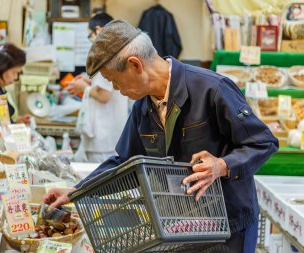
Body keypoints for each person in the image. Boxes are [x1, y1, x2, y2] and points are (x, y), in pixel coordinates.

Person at [44, 20, 278, 253]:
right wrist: (75, 191)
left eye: (113, 79)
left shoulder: (212, 89)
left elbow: (263, 143)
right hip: (179, 226)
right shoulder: (142, 107)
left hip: (229, 229)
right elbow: (125, 163)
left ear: (135, 65)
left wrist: (222, 165)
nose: (115, 88)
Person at [65, 13, 128, 163]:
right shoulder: (117, 51)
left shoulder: (104, 54)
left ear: (98, 30)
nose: (90, 41)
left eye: (89, 36)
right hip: (111, 135)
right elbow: (109, 87)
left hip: (103, 138)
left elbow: (104, 95)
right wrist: (88, 82)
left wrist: (83, 87)